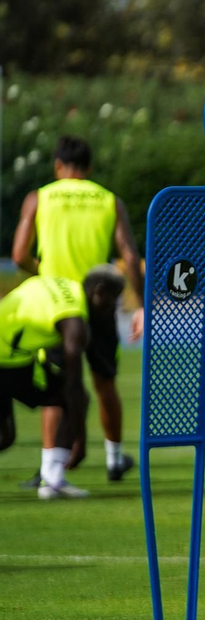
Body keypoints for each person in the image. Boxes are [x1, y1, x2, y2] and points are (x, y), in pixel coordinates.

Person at [11, 135, 145, 482]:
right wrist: (142, 305)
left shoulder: (38, 198)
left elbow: (18, 255)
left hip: (55, 304)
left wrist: (41, 271)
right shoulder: (109, 200)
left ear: (58, 165)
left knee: (56, 385)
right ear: (89, 168)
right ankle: (114, 459)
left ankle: (49, 467)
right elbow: (129, 256)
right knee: (105, 382)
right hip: (98, 301)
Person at [0, 275, 90, 499]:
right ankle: (52, 479)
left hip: (16, 361)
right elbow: (74, 386)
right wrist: (80, 438)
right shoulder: (71, 308)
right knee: (70, 396)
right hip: (9, 361)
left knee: (5, 436)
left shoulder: (61, 288)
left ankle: (52, 480)